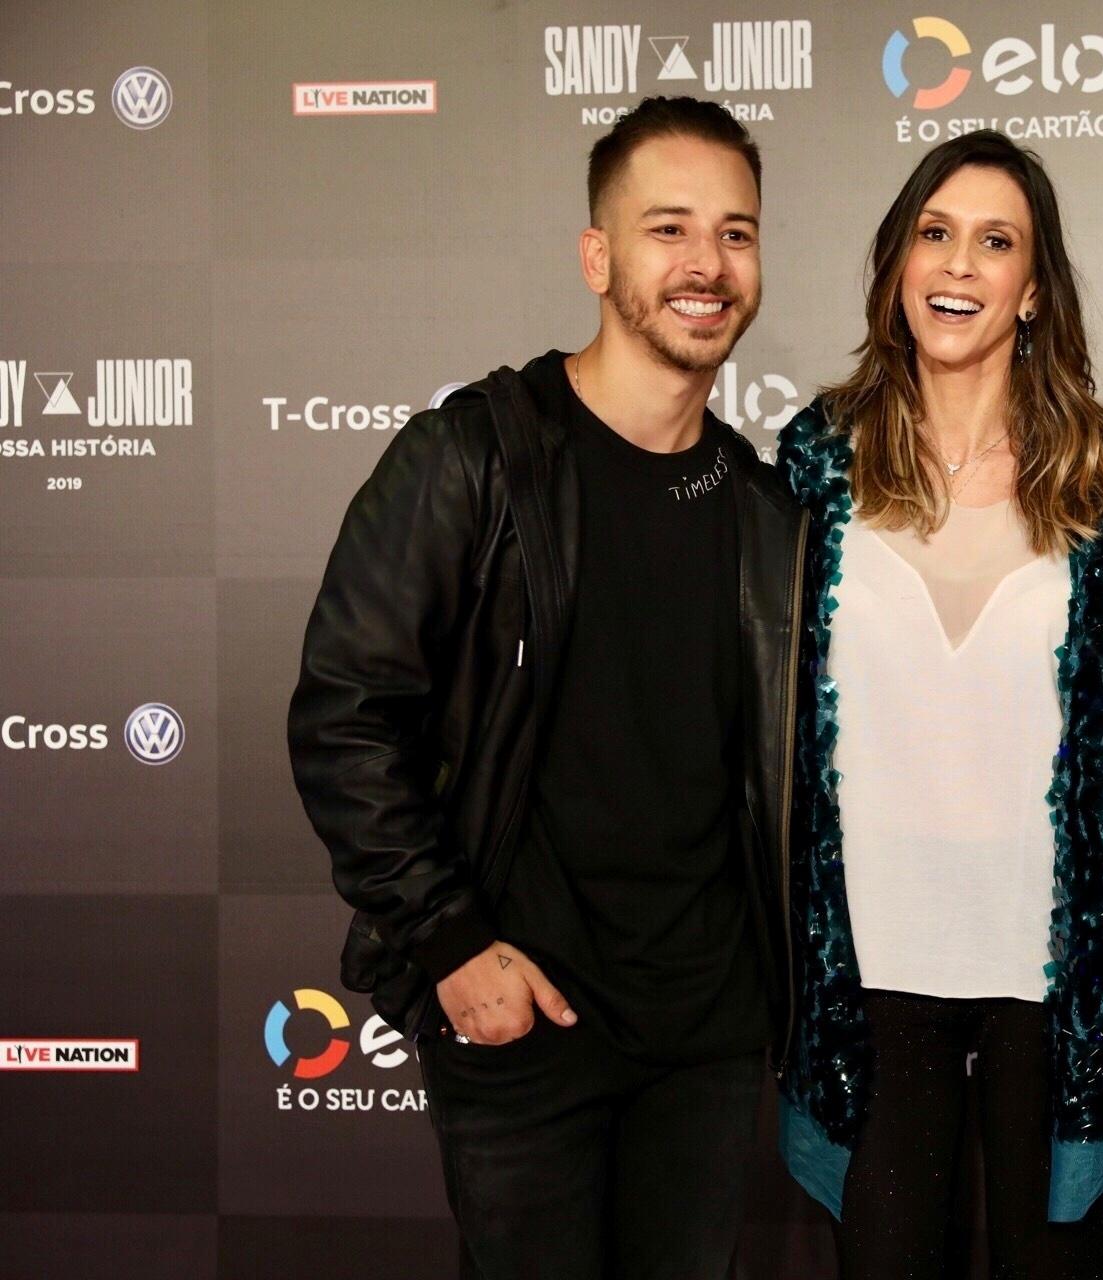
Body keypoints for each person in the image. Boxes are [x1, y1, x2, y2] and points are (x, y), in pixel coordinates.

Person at [286, 97, 805, 1279]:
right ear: (597, 256)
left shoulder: (764, 508)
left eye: (735, 232)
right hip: (525, 1023)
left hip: (708, 1041)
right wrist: (451, 939)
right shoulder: (473, 456)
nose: (707, 264)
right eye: (668, 228)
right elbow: (345, 715)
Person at [773, 131, 1103, 1278]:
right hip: (874, 965)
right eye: (935, 233)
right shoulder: (817, 461)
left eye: (996, 242)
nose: (958, 264)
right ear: (899, 262)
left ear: (1032, 289)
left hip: (1052, 971)